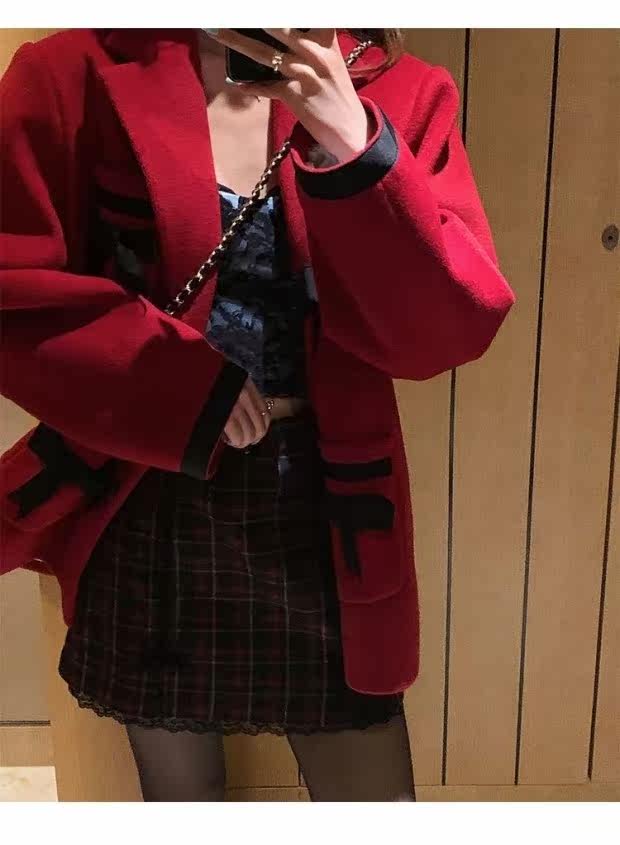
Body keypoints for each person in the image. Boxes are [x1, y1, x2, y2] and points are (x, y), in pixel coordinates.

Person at [0, 27, 516, 801]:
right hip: (149, 498)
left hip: (324, 503)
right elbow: (16, 294)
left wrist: (355, 146)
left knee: (375, 801)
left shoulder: (401, 91)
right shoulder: (71, 73)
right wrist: (176, 387)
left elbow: (446, 329)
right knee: (182, 805)